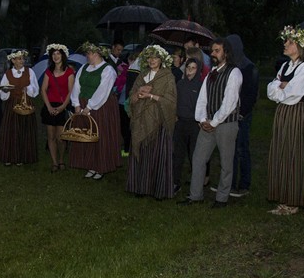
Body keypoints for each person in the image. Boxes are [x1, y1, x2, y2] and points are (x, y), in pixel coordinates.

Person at [178, 37, 242, 208]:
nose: (213, 54)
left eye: (217, 51)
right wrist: (201, 119)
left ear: (226, 53)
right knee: (198, 158)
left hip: (226, 123)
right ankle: (195, 195)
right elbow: (203, 98)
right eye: (212, 50)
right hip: (208, 123)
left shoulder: (234, 72)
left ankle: (222, 198)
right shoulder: (212, 72)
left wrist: (214, 122)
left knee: (226, 162)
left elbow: (229, 102)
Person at [266, 26, 304, 215]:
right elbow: (271, 89)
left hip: (298, 114)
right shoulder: (285, 66)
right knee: (282, 151)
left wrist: (282, 88)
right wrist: (281, 86)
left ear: (299, 46)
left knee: (295, 153)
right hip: (283, 113)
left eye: (289, 42)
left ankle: (295, 199)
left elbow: (294, 94)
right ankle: (283, 196)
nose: (285, 45)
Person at [126, 45, 177, 199]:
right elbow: (131, 95)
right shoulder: (142, 75)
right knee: (142, 152)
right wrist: (138, 93)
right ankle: (140, 187)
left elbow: (171, 101)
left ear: (161, 59)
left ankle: (159, 190)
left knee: (157, 155)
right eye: (149, 57)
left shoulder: (168, 76)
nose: (152, 60)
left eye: (155, 57)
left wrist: (151, 95)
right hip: (141, 120)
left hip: (158, 122)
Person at [69, 42, 122, 180]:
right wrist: (76, 104)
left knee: (100, 134)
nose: (87, 56)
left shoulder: (108, 70)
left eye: (89, 53)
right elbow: (77, 85)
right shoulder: (84, 68)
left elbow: (103, 91)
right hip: (83, 104)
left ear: (97, 54)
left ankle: (101, 166)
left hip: (101, 106)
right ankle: (89, 164)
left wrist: (89, 107)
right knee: (85, 134)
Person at [227, 34, 259, 197]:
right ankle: (230, 184)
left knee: (241, 149)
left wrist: (242, 113)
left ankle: (244, 184)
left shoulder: (248, 67)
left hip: (242, 115)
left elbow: (250, 95)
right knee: (230, 150)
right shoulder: (231, 66)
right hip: (230, 115)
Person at [0, 50, 39, 166]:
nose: (22, 61)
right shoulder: (8, 73)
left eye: (22, 59)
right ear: (13, 60)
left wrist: (28, 88)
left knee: (25, 129)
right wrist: (5, 90)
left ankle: (22, 156)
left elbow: (35, 89)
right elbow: (3, 90)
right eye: (19, 59)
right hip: (12, 104)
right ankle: (10, 156)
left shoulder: (29, 72)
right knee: (11, 129)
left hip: (26, 103)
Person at [40, 43, 75, 172]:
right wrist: (48, 107)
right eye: (53, 54)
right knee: (51, 136)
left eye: (58, 54)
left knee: (61, 138)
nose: (56, 56)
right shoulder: (49, 71)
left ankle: (61, 159)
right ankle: (54, 162)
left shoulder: (69, 72)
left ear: (63, 55)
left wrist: (62, 107)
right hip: (50, 106)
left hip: (63, 106)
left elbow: (71, 92)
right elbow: (43, 89)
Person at [172, 57, 203, 195]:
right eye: (188, 67)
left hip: (194, 125)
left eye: (193, 68)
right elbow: (175, 101)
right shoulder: (180, 84)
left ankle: (196, 187)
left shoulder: (201, 86)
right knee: (177, 154)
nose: (190, 71)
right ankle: (175, 182)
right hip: (180, 123)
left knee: (194, 156)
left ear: (198, 70)